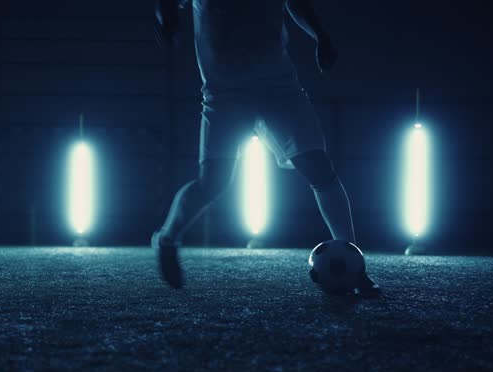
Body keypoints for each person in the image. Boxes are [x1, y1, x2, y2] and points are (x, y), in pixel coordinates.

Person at [152, 0, 380, 295]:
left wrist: (320, 35)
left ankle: (356, 266)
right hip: (225, 93)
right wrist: (166, 19)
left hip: (278, 87)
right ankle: (167, 240)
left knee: (319, 169)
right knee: (214, 182)